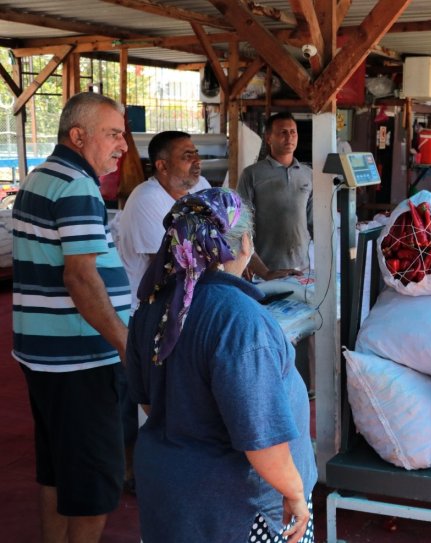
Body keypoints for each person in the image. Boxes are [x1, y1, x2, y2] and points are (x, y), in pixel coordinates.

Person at [126, 188, 317, 543]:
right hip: (239, 507)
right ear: (245, 244)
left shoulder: (152, 306)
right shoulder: (239, 318)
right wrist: (294, 491)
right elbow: (262, 437)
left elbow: (151, 401)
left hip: (170, 495)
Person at [11, 92, 131, 542]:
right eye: (113, 134)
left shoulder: (41, 176)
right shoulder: (78, 186)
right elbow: (81, 279)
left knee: (57, 471)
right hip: (81, 358)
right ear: (78, 135)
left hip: (46, 353)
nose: (122, 146)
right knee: (95, 480)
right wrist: (125, 343)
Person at [115, 131, 211, 309]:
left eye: (196, 153)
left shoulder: (201, 185)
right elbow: (170, 267)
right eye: (187, 156)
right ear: (163, 166)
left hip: (186, 293)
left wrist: (264, 273)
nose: (197, 161)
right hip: (145, 307)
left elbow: (225, 232)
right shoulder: (146, 198)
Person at [237, 112, 312, 280]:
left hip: (301, 268)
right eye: (283, 132)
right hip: (263, 270)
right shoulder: (252, 174)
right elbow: (240, 225)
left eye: (293, 132)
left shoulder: (308, 175)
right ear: (269, 138)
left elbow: (314, 223)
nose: (289, 137)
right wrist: (251, 264)